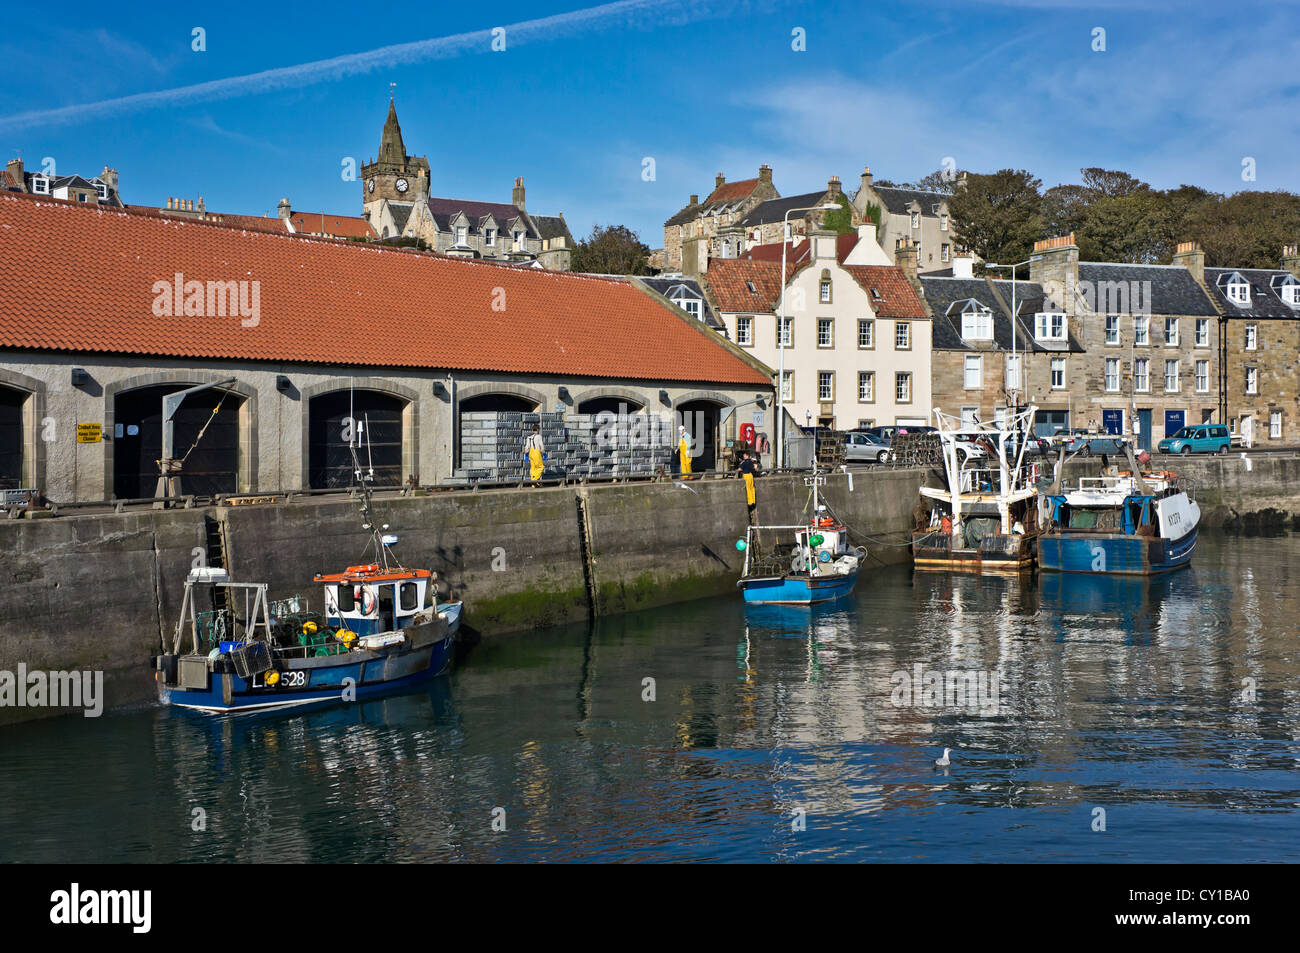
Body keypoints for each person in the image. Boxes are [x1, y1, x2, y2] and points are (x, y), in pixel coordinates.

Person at [737, 451, 759, 519]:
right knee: (752, 488)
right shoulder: (751, 461)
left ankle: (750, 502)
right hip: (751, 475)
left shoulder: (744, 462)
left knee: (748, 489)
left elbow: (739, 469)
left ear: (746, 456)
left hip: (746, 476)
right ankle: (753, 501)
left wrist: (737, 470)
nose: (743, 456)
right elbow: (756, 468)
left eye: (744, 455)